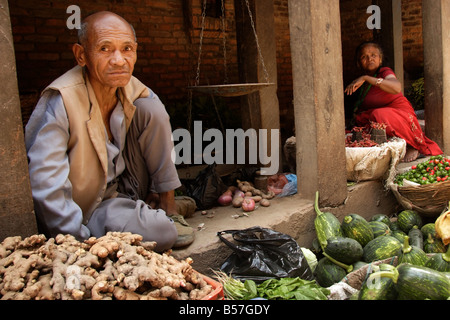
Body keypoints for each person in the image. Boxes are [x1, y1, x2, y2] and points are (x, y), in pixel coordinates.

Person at [25, 11, 194, 251]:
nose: (118, 60)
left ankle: (168, 207)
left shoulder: (130, 88)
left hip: (122, 189)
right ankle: (147, 216)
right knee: (162, 233)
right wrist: (76, 244)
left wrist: (162, 190)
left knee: (152, 109)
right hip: (87, 207)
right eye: (105, 49)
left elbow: (158, 132)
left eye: (127, 49)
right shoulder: (61, 100)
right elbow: (46, 185)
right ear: (81, 55)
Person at [345, 41, 442, 162]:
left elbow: (396, 87)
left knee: (378, 114)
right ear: (359, 63)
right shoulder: (361, 85)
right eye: (364, 57)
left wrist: (367, 78)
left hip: (400, 116)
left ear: (380, 59)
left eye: (373, 55)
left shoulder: (384, 72)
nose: (369, 58)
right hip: (379, 120)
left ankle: (411, 145)